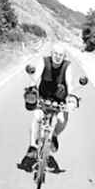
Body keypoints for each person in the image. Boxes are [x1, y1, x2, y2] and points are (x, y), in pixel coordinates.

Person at [18, 43, 78, 173]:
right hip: (43, 97)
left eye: (61, 55)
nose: (58, 57)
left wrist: (72, 98)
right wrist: (32, 88)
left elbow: (70, 84)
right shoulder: (44, 61)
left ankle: (54, 136)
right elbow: (36, 77)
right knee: (36, 117)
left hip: (59, 100)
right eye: (56, 54)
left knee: (62, 119)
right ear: (51, 54)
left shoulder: (67, 66)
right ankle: (32, 146)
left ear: (64, 57)